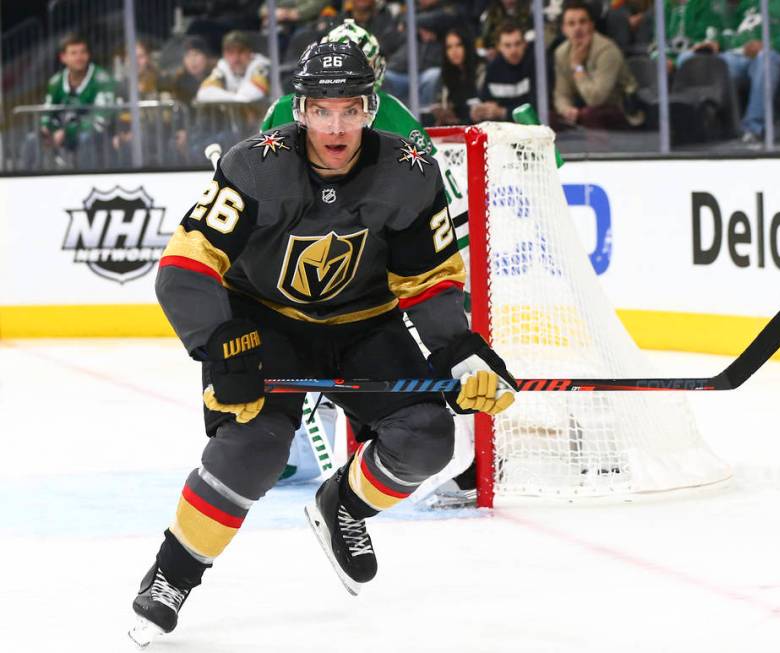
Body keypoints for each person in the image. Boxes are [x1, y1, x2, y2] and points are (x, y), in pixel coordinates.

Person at [128, 40, 516, 646]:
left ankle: (344, 507)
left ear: (371, 107)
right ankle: (171, 576)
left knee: (427, 437)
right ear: (300, 110)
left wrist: (460, 352)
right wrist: (221, 344)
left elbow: (430, 280)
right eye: (322, 110)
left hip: (365, 320)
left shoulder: (410, 169)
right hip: (265, 318)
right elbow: (183, 269)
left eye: (351, 110)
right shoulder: (254, 165)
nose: (337, 127)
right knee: (254, 444)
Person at [261, 19, 469, 486]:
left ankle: (450, 458)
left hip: (378, 261)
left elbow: (424, 189)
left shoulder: (394, 114)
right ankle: (294, 449)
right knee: (293, 342)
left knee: (413, 349)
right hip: (308, 257)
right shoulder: (286, 110)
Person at [717, 0, 780, 144]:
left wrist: (767, 45)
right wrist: (714, 42)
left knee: (765, 58)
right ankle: (712, 128)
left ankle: (754, 128)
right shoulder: (750, 2)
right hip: (742, 56)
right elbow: (730, 34)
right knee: (710, 61)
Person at [19, 33, 115, 170]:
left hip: (95, 135)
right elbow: (47, 112)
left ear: (88, 55)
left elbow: (101, 119)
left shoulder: (102, 79)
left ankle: (87, 181)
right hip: (64, 133)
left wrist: (67, 132)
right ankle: (25, 183)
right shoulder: (56, 81)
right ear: (63, 57)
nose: (79, 57)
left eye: (83, 52)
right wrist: (47, 129)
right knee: (32, 139)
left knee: (85, 138)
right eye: (73, 53)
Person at [553, 0, 642, 130]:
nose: (577, 28)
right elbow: (561, 94)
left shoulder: (607, 50)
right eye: (571, 24)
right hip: (584, 108)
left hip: (620, 110)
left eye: (582, 22)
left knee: (591, 114)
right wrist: (567, 109)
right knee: (549, 117)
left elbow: (596, 99)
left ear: (592, 25)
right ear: (564, 29)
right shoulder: (561, 52)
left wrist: (577, 66)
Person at [471, 20, 535, 123]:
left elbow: (538, 106)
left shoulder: (535, 64)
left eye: (517, 44)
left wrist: (503, 112)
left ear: (525, 44)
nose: (513, 50)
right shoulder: (493, 70)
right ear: (499, 47)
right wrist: (480, 111)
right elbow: (485, 100)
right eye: (507, 45)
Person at [196, 30, 271, 104]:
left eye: (241, 52)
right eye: (230, 52)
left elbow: (251, 96)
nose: (236, 58)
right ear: (224, 55)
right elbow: (204, 93)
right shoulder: (223, 68)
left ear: (250, 52)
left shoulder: (261, 66)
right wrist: (236, 98)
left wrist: (226, 97)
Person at [435, 28, 484, 125]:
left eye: (459, 45)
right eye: (449, 47)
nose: (454, 51)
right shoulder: (446, 74)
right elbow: (443, 103)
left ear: (467, 46)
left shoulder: (482, 69)